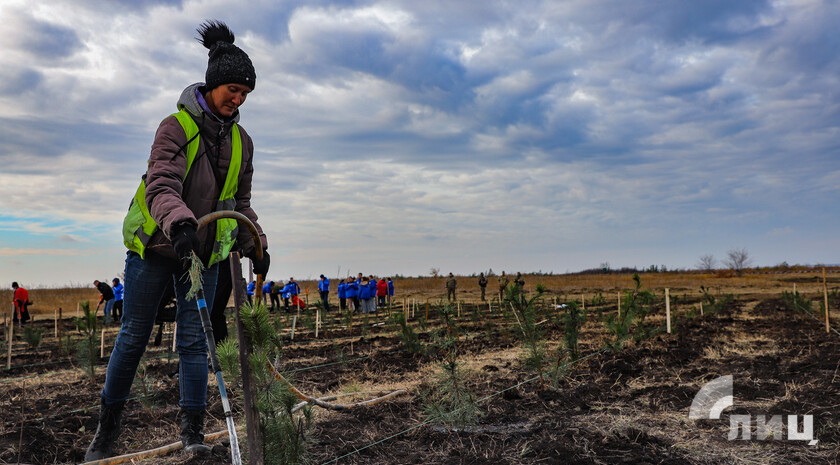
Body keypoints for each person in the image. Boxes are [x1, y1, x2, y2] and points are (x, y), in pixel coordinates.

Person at [85, 21, 269, 461]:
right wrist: (181, 222)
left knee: (193, 340)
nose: (238, 99)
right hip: (157, 248)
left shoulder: (243, 142)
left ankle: (193, 437)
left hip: (203, 255)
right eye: (232, 89)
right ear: (211, 85)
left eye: (245, 93)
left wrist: (255, 243)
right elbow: (161, 185)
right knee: (133, 334)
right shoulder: (175, 127)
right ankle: (105, 434)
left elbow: (240, 204)